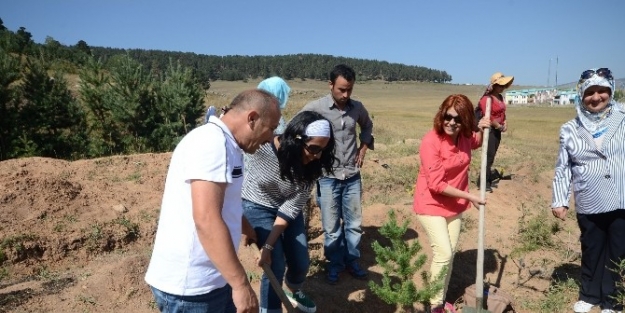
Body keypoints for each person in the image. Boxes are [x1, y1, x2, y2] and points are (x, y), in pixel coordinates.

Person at [145, 89, 281, 313]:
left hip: (212, 278)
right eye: (272, 128)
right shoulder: (213, 144)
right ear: (252, 118)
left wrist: (244, 226)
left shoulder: (228, 144)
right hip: (192, 289)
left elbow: (223, 201)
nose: (271, 138)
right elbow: (206, 219)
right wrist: (240, 284)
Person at [242, 111, 336, 313]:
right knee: (274, 263)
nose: (317, 155)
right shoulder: (264, 148)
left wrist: (268, 243)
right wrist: (267, 247)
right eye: (313, 148)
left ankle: (293, 289)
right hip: (256, 204)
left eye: (322, 150)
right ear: (296, 140)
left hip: (286, 208)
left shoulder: (313, 166)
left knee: (301, 261)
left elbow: (291, 207)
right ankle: (269, 309)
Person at [552, 67, 625, 313]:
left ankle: (612, 301)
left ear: (611, 91)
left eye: (602, 91)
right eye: (590, 92)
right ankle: (590, 295)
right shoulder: (570, 128)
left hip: (621, 197)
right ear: (581, 95)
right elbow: (563, 167)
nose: (596, 97)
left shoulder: (624, 117)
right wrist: (559, 200)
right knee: (592, 248)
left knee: (618, 250)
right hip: (589, 198)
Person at [413, 94, 490, 313]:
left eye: (458, 119)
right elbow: (436, 184)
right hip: (431, 204)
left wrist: (483, 127)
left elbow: (476, 141)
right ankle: (435, 304)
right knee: (444, 253)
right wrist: (471, 196)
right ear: (441, 115)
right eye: (448, 117)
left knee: (449, 254)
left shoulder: (464, 136)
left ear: (465, 121)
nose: (451, 122)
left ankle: (441, 297)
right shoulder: (431, 141)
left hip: (454, 206)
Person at [300, 64, 374, 285]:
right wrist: (309, 154)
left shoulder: (357, 108)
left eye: (349, 89)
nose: (345, 94)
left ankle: (352, 261)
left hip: (352, 176)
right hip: (327, 176)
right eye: (341, 89)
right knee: (331, 227)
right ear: (330, 85)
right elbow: (297, 128)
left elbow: (368, 127)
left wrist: (363, 148)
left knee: (353, 224)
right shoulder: (316, 108)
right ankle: (334, 264)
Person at [476, 72, 514, 192]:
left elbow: (503, 113)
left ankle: (486, 179)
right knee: (488, 156)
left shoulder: (500, 98)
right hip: (490, 130)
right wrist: (498, 126)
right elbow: (488, 116)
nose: (502, 87)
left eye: (503, 85)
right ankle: (483, 182)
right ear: (494, 85)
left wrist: (505, 123)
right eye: (500, 85)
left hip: (497, 131)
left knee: (491, 157)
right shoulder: (486, 99)